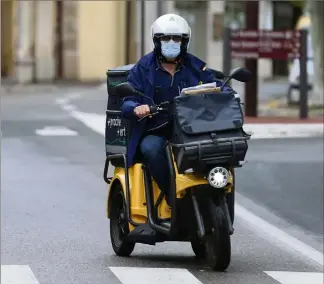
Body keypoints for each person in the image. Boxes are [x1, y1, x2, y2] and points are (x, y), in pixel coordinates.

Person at [120, 13, 233, 206]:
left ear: (184, 41)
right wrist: (137, 108)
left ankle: (213, 193)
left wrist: (227, 93)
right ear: (157, 41)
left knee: (220, 147)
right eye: (165, 38)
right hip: (157, 130)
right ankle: (172, 194)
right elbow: (127, 101)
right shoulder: (143, 68)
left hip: (192, 129)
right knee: (151, 149)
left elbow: (217, 84)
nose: (171, 42)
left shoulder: (195, 65)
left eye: (177, 38)